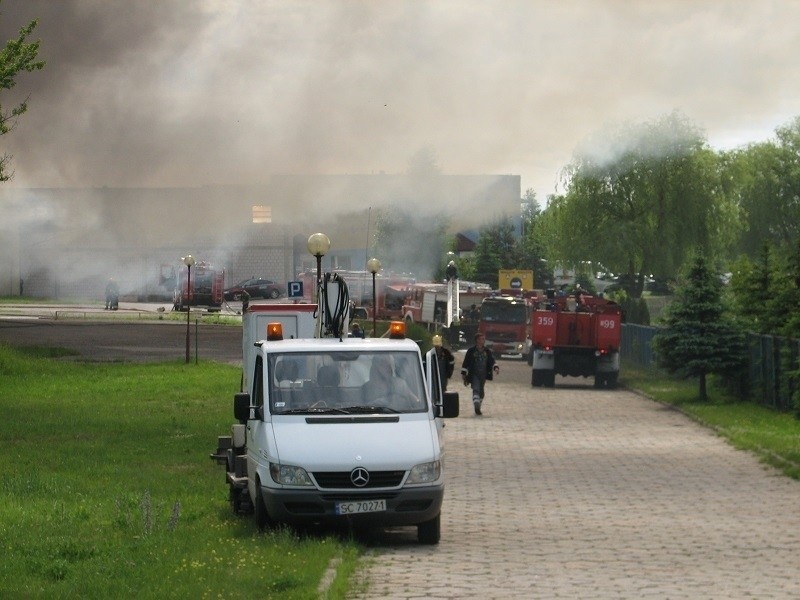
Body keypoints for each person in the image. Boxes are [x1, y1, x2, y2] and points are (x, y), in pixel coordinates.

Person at [460, 332, 499, 415]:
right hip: (474, 373)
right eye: (482, 339)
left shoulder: (487, 351)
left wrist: (495, 367)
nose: (484, 340)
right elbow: (466, 362)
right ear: (477, 340)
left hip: (484, 374)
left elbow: (492, 360)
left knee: (481, 390)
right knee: (476, 388)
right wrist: (464, 373)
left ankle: (479, 404)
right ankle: (476, 404)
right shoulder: (471, 351)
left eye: (484, 339)